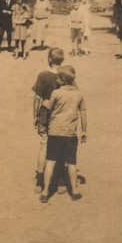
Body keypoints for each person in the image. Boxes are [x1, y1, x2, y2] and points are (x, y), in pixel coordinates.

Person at [39, 65, 87, 203]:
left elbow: (50, 106)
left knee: (50, 162)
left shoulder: (56, 93)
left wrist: (44, 103)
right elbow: (83, 113)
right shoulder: (79, 95)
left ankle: (45, 191)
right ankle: (75, 192)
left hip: (55, 132)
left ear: (62, 80)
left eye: (58, 78)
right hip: (70, 134)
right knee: (71, 163)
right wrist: (84, 130)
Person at [32, 48, 66, 194]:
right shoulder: (66, 76)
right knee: (60, 147)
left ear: (49, 59)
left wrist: (35, 115)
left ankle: (40, 181)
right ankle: (59, 182)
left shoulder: (43, 75)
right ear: (62, 60)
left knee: (44, 146)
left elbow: (37, 98)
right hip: (61, 116)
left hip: (45, 115)